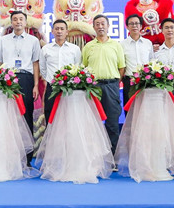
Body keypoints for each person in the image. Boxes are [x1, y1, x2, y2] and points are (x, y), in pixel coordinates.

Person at [0, 11, 40, 161]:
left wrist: (35, 85)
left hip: (26, 78)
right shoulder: (3, 40)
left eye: (21, 19)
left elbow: (35, 64)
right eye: (15, 19)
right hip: (8, 79)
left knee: (26, 114)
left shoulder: (33, 41)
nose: (18, 22)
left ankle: (27, 156)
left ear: (26, 22)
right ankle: (8, 153)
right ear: (11, 22)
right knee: (8, 115)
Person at [81, 15, 125, 153]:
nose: (100, 27)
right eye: (97, 24)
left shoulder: (116, 45)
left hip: (111, 86)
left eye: (103, 24)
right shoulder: (88, 46)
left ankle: (113, 155)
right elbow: (84, 67)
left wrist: (114, 83)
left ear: (108, 26)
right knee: (92, 122)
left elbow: (121, 67)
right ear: (93, 27)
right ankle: (94, 155)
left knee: (112, 122)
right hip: (93, 87)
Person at [39, 19, 82, 122]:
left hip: (69, 88)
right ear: (52, 31)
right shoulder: (46, 49)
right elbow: (43, 68)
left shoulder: (74, 49)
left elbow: (78, 66)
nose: (59, 31)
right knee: (50, 114)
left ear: (67, 32)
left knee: (69, 115)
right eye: (57, 29)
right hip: (52, 87)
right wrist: (51, 79)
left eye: (62, 29)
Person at [120, 14, 154, 108]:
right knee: (129, 109)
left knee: (145, 109)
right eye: (131, 24)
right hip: (129, 81)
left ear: (141, 26)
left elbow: (152, 61)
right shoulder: (122, 45)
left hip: (146, 81)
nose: (134, 26)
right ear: (127, 27)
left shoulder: (148, 43)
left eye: (136, 23)